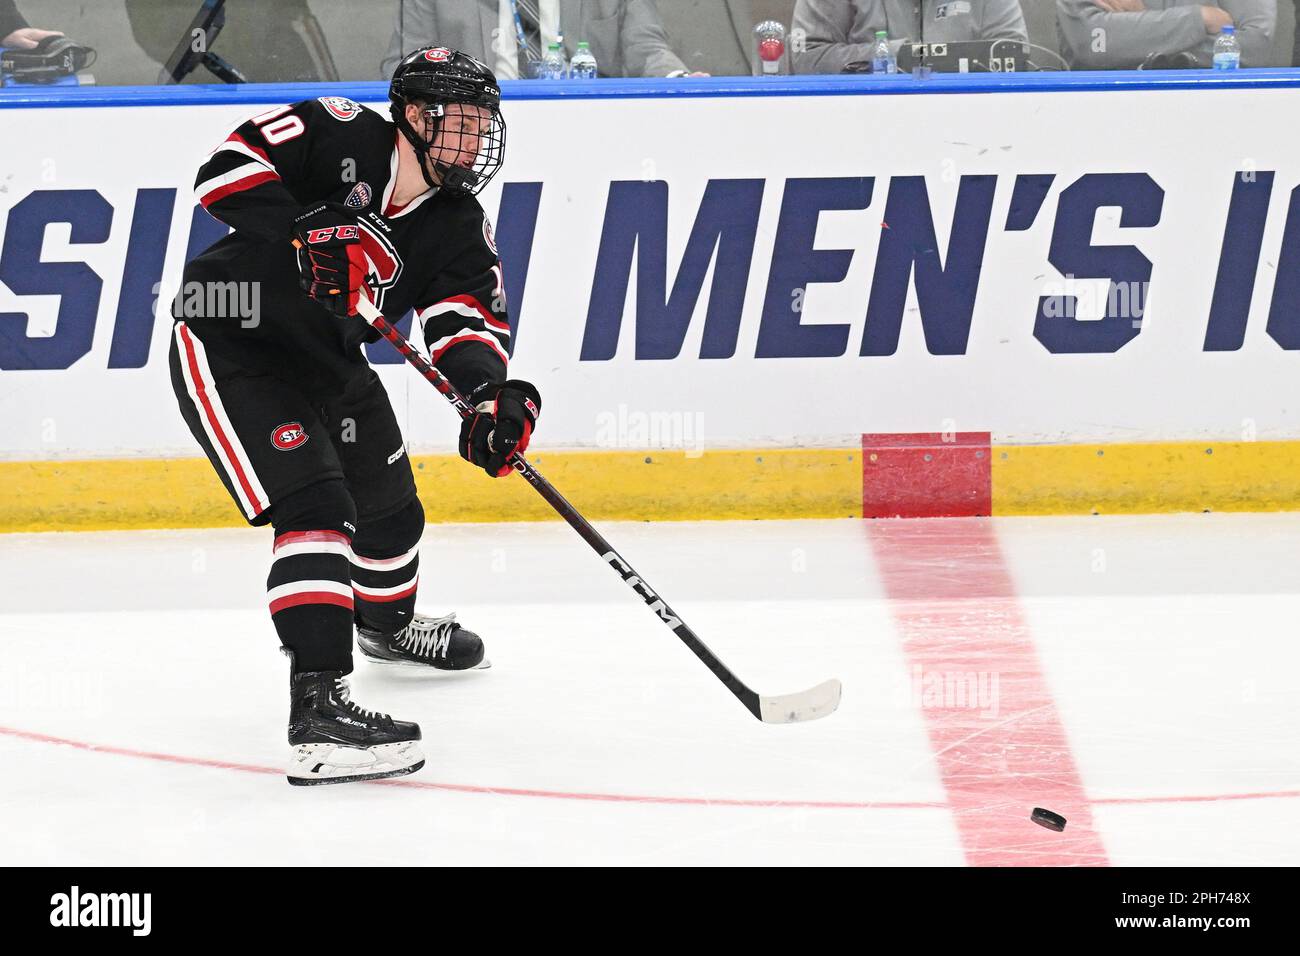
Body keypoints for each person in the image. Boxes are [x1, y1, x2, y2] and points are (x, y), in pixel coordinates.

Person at [171, 48, 541, 786]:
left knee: (391, 515)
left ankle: (388, 628)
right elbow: (223, 172)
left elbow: (466, 321)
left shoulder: (457, 223)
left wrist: (488, 394)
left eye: (482, 125)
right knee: (316, 506)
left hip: (331, 360)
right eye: (460, 124)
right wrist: (308, 226)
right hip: (232, 340)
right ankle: (319, 709)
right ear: (412, 116)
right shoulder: (336, 131)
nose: (475, 142)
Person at [380, 0, 697, 78]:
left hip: (590, 126)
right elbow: (404, 67)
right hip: (474, 135)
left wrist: (681, 81)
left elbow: (647, 46)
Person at [793, 0, 1029, 74]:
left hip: (970, 129)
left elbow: (1013, 54)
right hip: (862, 126)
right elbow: (806, 58)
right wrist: (900, 56)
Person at [1056, 0, 1277, 69]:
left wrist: (1139, 24)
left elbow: (1255, 48)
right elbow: (1091, 43)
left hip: (1215, 116)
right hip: (1107, 117)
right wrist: (1199, 19)